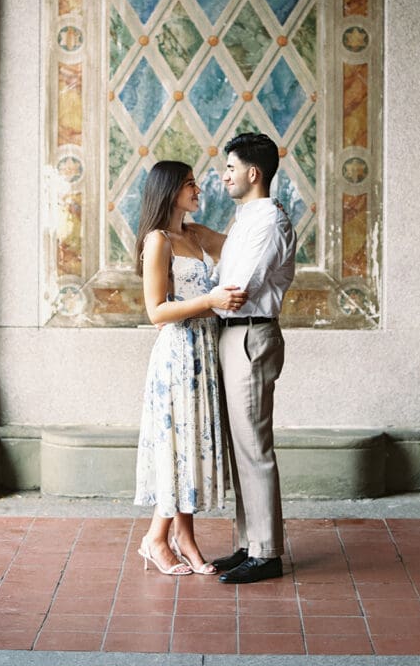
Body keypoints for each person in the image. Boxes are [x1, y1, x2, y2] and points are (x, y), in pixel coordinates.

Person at [133, 160, 247, 575]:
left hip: (206, 351)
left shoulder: (196, 234)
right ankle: (157, 539)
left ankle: (184, 538)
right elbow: (156, 311)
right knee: (176, 447)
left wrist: (257, 206)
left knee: (191, 447)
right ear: (170, 192)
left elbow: (237, 245)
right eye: (190, 185)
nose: (198, 190)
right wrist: (211, 301)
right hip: (178, 355)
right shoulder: (157, 241)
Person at [211, 132, 297, 584]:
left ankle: (267, 553)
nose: (224, 175)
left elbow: (236, 290)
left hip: (249, 336)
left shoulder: (268, 223)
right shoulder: (246, 218)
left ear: (253, 173)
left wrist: (185, 302)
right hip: (233, 336)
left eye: (230, 167)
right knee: (240, 444)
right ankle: (249, 543)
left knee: (254, 445)